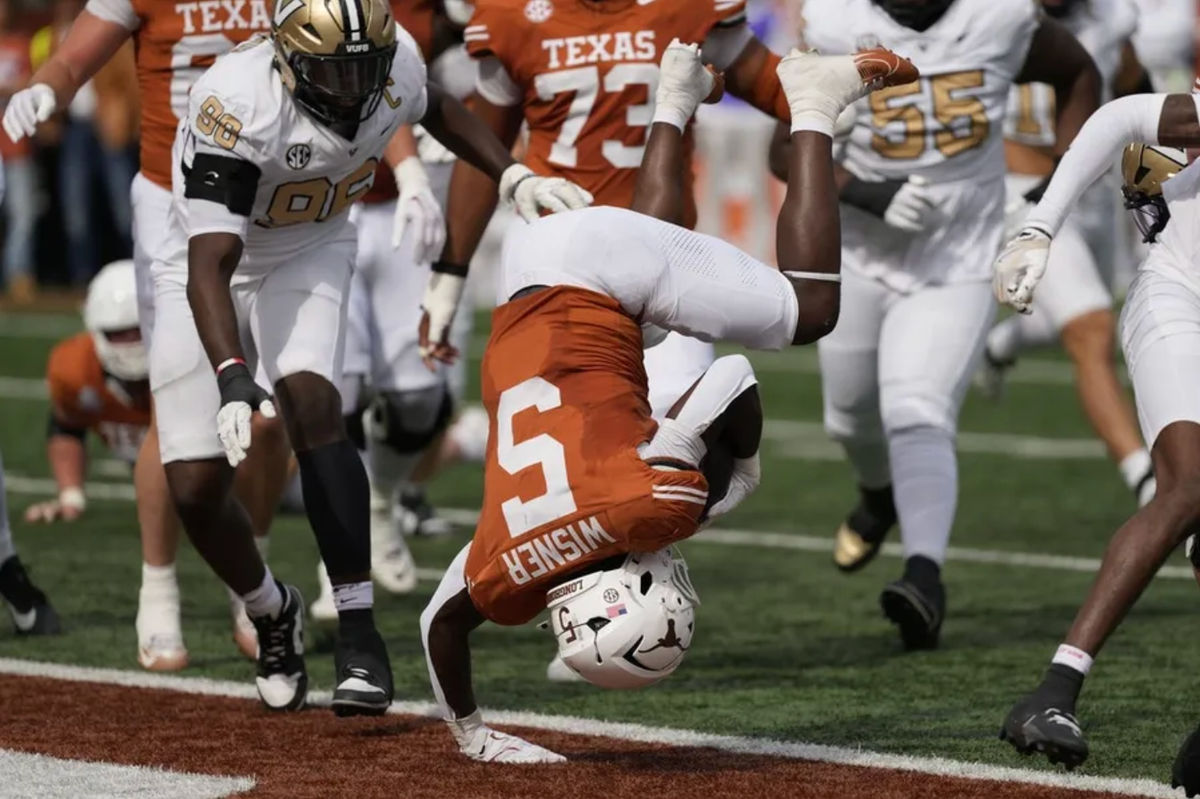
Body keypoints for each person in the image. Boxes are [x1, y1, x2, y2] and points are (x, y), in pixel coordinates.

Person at [418, 40, 918, 763]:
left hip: (588, 272)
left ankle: (813, 100)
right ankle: (675, 98)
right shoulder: (507, 570)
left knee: (807, 311)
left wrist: (742, 466)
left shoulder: (650, 508)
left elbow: (733, 378)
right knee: (653, 304)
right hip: (532, 280)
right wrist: (473, 735)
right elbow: (440, 623)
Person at [148, 0, 590, 715]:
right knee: (195, 486)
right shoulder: (235, 101)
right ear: (285, 59)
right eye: (334, 71)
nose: (354, 88)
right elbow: (211, 265)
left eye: (365, 69)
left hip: (311, 245)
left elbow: (437, 106)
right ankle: (270, 608)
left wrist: (511, 176)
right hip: (202, 261)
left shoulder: (395, 64)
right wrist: (233, 376)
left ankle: (359, 631)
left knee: (317, 408)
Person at [783, 0, 1100, 651]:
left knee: (918, 407)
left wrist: (1054, 190)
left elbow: (1079, 74)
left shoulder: (1001, 17)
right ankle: (877, 496)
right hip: (863, 253)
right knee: (848, 419)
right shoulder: (833, 22)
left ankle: (923, 576)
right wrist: (871, 191)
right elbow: (779, 148)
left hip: (959, 254)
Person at [3, 0, 292, 675]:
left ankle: (248, 576)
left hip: (274, 200)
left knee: (270, 412)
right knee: (177, 402)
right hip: (173, 197)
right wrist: (47, 86)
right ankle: (156, 585)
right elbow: (75, 55)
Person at [442, 0, 797, 424]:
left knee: (681, 439)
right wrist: (449, 272)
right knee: (564, 438)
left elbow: (777, 88)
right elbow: (487, 153)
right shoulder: (513, 15)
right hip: (555, 267)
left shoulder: (687, 8)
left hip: (665, 260)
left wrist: (830, 105)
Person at [993, 90, 1200, 788]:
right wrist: (1040, 226)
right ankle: (1054, 690)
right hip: (1181, 298)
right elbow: (1120, 120)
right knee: (1190, 486)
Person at [21, 259, 254, 671]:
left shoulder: (190, 355)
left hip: (240, 471)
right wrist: (71, 494)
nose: (130, 344)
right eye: (118, 334)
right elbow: (66, 425)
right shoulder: (74, 368)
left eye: (137, 331)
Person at [979, 0, 1155, 507]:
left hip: (1093, 196)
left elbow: (1133, 88)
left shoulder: (1110, 18)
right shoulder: (988, 17)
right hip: (1022, 193)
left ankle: (1003, 343)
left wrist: (1156, 177)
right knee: (1091, 327)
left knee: (1091, 320)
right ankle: (1145, 478)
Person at [0, 0, 37, 304]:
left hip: (17, 144)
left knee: (23, 214)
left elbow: (31, 85)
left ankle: (18, 275)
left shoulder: (21, 44)